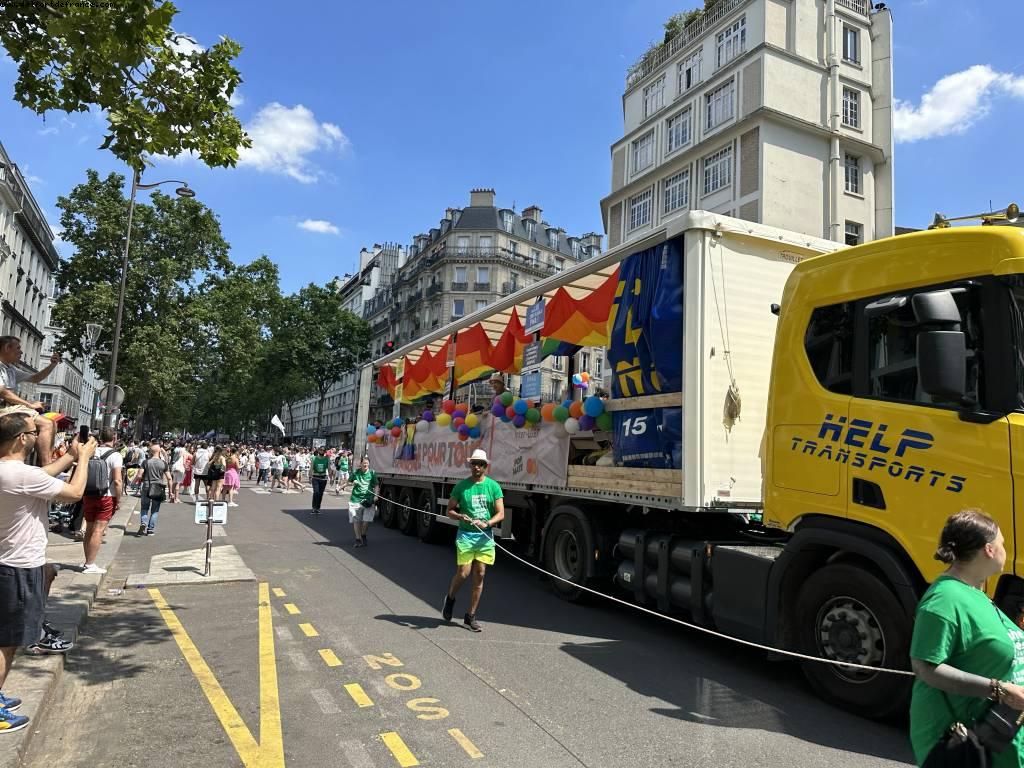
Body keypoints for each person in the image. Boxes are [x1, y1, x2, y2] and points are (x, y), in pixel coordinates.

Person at [0, 413, 96, 733]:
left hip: (6, 563)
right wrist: (82, 460)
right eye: (34, 432)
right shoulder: (21, 476)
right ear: (21, 440)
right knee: (6, 642)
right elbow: (75, 493)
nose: (37, 436)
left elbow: (39, 474)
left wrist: (68, 455)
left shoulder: (12, 473)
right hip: (17, 567)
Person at [910, 509, 1024, 766]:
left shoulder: (975, 591)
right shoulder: (943, 601)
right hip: (964, 741)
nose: (1006, 549)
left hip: (999, 734)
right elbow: (925, 668)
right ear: (989, 550)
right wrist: (999, 689)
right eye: (1002, 543)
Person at [441, 449, 504, 633]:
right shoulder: (461, 486)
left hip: (484, 536)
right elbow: (450, 510)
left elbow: (501, 513)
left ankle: (470, 616)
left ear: (485, 466)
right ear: (470, 465)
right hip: (466, 535)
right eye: (474, 463)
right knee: (463, 572)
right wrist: (460, 516)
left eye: (480, 464)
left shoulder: (493, 486)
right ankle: (450, 599)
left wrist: (487, 523)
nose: (477, 467)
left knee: (480, 573)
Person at [0, 338, 61, 466]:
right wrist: (30, 405)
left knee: (53, 423)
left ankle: (43, 462)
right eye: (18, 348)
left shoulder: (10, 369)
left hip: (9, 408)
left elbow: (35, 378)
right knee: (46, 424)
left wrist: (52, 365)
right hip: (3, 408)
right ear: (7, 348)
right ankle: (47, 467)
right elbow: (3, 392)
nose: (21, 352)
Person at [80, 426, 123, 574]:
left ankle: (87, 561)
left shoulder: (91, 451)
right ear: (114, 439)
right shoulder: (115, 455)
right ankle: (90, 564)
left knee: (89, 529)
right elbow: (117, 481)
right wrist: (119, 498)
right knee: (98, 530)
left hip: (88, 494)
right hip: (106, 496)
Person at [137, 444, 172, 536]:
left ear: (150, 452)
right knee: (155, 510)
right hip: (158, 487)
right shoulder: (164, 463)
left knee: (144, 507)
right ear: (159, 452)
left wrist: (140, 480)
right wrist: (171, 492)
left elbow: (139, 475)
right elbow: (169, 478)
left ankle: (143, 522)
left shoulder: (145, 462)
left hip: (146, 486)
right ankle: (150, 530)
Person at [348, 456, 377, 547]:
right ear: (360, 464)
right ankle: (358, 539)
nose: (365, 465)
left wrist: (376, 495)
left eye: (367, 463)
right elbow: (348, 482)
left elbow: (376, 485)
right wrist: (353, 482)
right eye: (364, 463)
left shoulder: (372, 473)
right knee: (356, 520)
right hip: (356, 499)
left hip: (368, 500)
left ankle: (363, 534)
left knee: (366, 521)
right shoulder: (356, 473)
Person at [309, 448, 330, 515]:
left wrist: (331, 478)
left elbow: (329, 468)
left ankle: (318, 508)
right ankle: (313, 507)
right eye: (321, 450)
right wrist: (310, 477)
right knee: (316, 492)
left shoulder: (327, 458)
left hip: (323, 478)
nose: (322, 451)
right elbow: (311, 468)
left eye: (324, 450)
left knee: (320, 494)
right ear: (318, 451)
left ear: (325, 451)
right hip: (315, 477)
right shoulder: (314, 458)